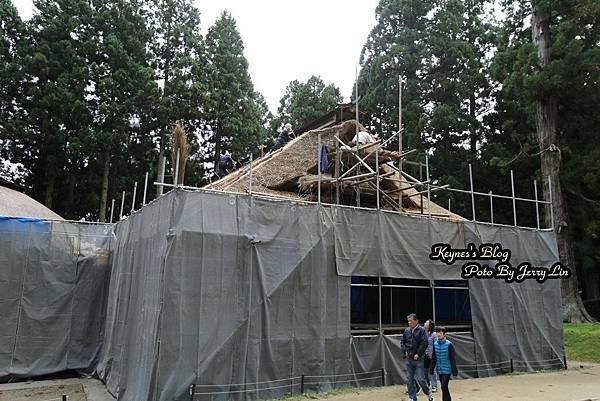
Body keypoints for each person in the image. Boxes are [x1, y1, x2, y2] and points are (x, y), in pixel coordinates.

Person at [401, 313, 434, 401]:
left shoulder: (422, 330)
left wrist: (418, 354)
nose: (409, 322)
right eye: (408, 321)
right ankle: (412, 398)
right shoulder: (406, 331)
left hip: (418, 359)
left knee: (420, 379)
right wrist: (405, 351)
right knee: (409, 379)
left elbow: (424, 343)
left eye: (411, 321)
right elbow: (402, 342)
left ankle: (428, 393)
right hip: (408, 359)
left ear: (416, 321)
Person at [430, 326, 458, 401]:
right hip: (440, 370)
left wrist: (454, 370)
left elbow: (452, 359)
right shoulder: (435, 344)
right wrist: (431, 369)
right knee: (444, 387)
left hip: (447, 369)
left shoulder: (449, 344)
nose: (438, 334)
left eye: (440, 332)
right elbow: (434, 358)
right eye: (437, 332)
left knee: (443, 386)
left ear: (444, 334)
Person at [424, 320, 438, 393]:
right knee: (425, 371)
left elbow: (436, 344)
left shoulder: (434, 334)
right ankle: (428, 384)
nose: (424, 324)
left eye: (426, 323)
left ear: (429, 326)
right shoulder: (423, 333)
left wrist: (435, 355)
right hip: (425, 355)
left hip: (432, 355)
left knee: (432, 371)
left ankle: (434, 386)